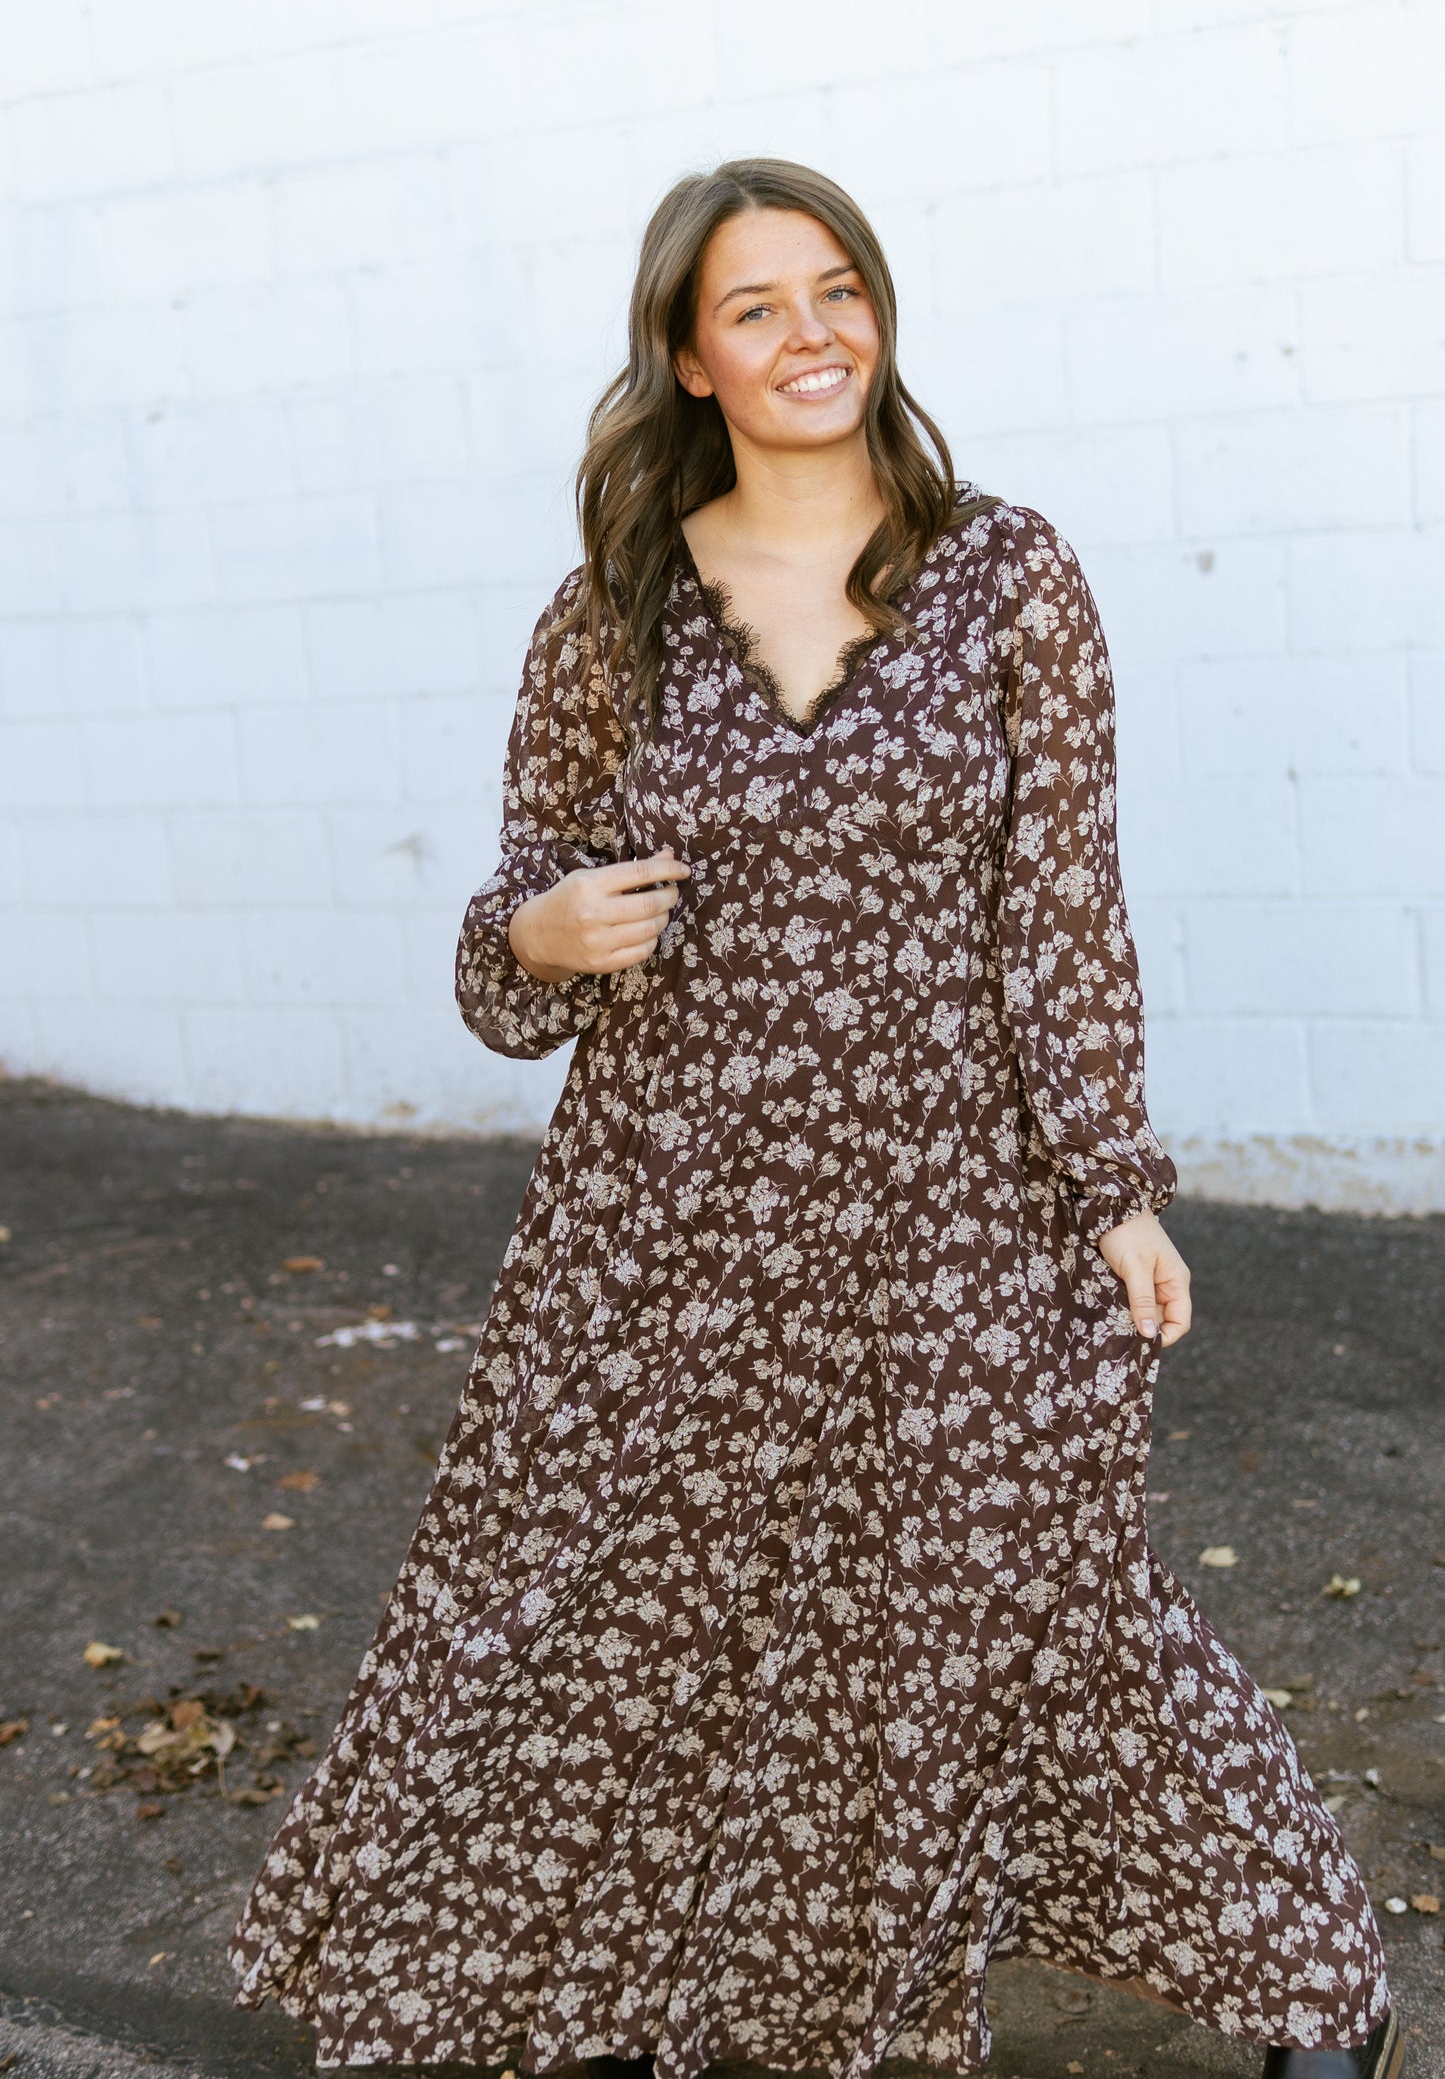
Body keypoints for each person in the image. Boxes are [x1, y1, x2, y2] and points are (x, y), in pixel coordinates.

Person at [229, 159, 1400, 2079]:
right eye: (755, 307)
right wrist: (529, 929)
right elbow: (511, 946)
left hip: (956, 1212)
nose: (809, 335)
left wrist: (1110, 1185)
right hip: (669, 1229)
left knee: (1044, 1605)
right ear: (688, 359)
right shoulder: (608, 617)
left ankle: (1303, 1984)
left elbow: (1062, 905)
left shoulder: (1007, 572)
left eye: (836, 290)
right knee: (629, 1630)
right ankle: (656, 1998)